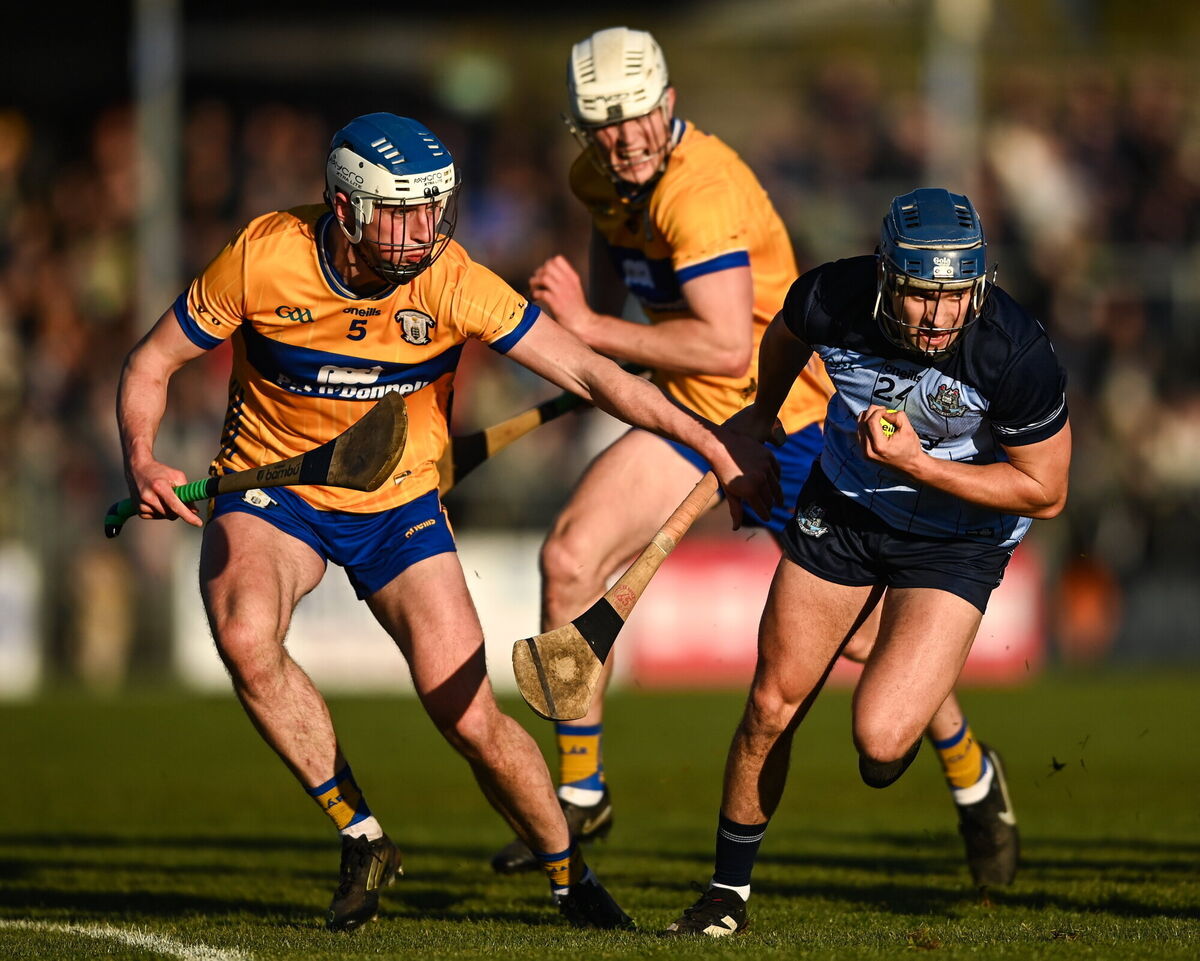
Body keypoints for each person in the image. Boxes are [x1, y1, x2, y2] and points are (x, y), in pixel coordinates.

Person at [115, 112, 782, 933]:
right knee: (247, 635)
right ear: (344, 207)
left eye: (434, 207)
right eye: (401, 211)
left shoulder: (453, 281)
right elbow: (151, 361)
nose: (423, 228)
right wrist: (143, 457)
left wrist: (708, 441)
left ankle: (570, 875)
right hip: (274, 493)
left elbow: (591, 373)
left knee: (469, 716)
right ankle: (362, 834)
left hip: (399, 504)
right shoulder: (265, 256)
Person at [490, 26, 1023, 897]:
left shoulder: (701, 193)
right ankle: (582, 791)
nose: (622, 140)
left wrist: (587, 332)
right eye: (602, 125)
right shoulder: (600, 175)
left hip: (784, 417)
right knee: (570, 555)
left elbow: (724, 338)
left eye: (634, 119)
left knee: (854, 644)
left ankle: (971, 770)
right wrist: (606, 333)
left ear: (667, 104)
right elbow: (617, 277)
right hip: (686, 413)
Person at [662, 187, 1072, 936]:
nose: (940, 317)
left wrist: (921, 466)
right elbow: (785, 337)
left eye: (956, 296)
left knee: (880, 746)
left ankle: (974, 771)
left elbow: (1046, 491)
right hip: (846, 507)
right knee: (771, 702)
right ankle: (726, 893)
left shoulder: (1013, 350)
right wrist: (759, 417)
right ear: (888, 279)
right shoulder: (832, 296)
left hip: (959, 536)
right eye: (921, 295)